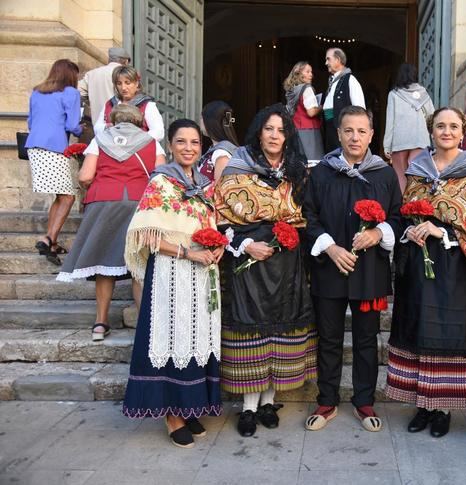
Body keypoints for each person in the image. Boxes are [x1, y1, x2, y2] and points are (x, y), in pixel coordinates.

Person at [386, 107, 466, 438]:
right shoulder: (417, 169)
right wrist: (410, 230)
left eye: (453, 126)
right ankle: (422, 405)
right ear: (431, 131)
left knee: (446, 331)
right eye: (440, 126)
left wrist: (440, 230)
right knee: (419, 329)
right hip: (418, 263)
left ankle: (442, 408)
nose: (446, 131)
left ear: (463, 132)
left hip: (454, 266)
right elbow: (404, 211)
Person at [215, 104, 316, 438]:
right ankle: (247, 407)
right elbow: (221, 218)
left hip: (287, 262)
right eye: (269, 129)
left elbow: (307, 217)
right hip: (249, 262)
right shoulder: (237, 166)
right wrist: (245, 246)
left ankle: (269, 402)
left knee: (280, 325)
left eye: (281, 130)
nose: (275, 136)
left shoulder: (298, 172)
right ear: (259, 131)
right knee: (252, 327)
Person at [122, 119, 223, 449]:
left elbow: (215, 225)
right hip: (170, 272)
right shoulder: (162, 182)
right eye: (182, 142)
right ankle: (172, 414)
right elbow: (147, 236)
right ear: (171, 145)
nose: (189, 148)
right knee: (172, 336)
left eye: (195, 142)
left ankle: (187, 404)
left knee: (196, 337)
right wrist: (187, 252)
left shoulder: (206, 187)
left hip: (202, 276)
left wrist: (217, 247)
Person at [303, 106, 402, 432]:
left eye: (362, 131)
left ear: (372, 135)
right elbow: (309, 217)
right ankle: (327, 400)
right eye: (349, 130)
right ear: (338, 133)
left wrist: (377, 233)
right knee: (328, 338)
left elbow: (398, 218)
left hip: (368, 271)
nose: (355, 137)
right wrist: (330, 247)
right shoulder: (321, 173)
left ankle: (364, 401)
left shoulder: (384, 174)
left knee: (365, 339)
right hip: (329, 268)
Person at [56, 104, 165, 340]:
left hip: (103, 202)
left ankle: (100, 324)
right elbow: (161, 177)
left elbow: (85, 176)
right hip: (138, 203)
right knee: (139, 264)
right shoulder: (151, 141)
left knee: (104, 263)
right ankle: (145, 326)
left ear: (113, 120)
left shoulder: (99, 140)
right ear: (138, 121)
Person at [25, 59, 84, 266]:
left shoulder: (37, 92)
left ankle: (53, 242)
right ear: (70, 76)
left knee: (60, 196)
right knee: (68, 198)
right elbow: (72, 125)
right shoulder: (71, 93)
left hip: (34, 147)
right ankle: (48, 238)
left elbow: (30, 122)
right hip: (55, 147)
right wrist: (81, 129)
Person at [382, 63, 434, 193]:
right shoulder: (424, 93)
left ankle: (402, 208)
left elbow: (390, 122)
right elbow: (433, 118)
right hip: (420, 140)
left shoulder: (394, 94)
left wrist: (386, 145)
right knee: (418, 177)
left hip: (400, 141)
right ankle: (416, 206)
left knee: (400, 178)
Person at [93, 65, 165, 142]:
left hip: (138, 149)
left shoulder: (147, 105)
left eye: (127, 83)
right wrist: (108, 126)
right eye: (119, 83)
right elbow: (97, 127)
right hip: (111, 148)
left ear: (136, 83)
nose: (123, 88)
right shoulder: (110, 104)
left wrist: (135, 142)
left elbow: (158, 132)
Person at [320, 47, 366, 152]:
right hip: (330, 128)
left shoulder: (350, 79)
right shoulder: (332, 81)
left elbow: (360, 109)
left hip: (343, 129)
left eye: (328, 59)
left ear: (338, 60)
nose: (326, 63)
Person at [284, 61, 324, 164]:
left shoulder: (292, 90)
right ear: (299, 73)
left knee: (299, 162)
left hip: (295, 128)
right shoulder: (307, 88)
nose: (311, 74)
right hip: (309, 130)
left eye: (311, 72)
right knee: (312, 163)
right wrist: (321, 107)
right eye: (307, 72)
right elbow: (311, 112)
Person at [78, 47, 131, 125]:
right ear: (126, 61)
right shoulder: (125, 75)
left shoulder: (92, 74)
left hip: (98, 126)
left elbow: (78, 92)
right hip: (120, 124)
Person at [198, 100, 239, 181]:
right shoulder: (217, 150)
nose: (200, 121)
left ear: (209, 121)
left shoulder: (221, 153)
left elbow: (221, 191)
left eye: (202, 118)